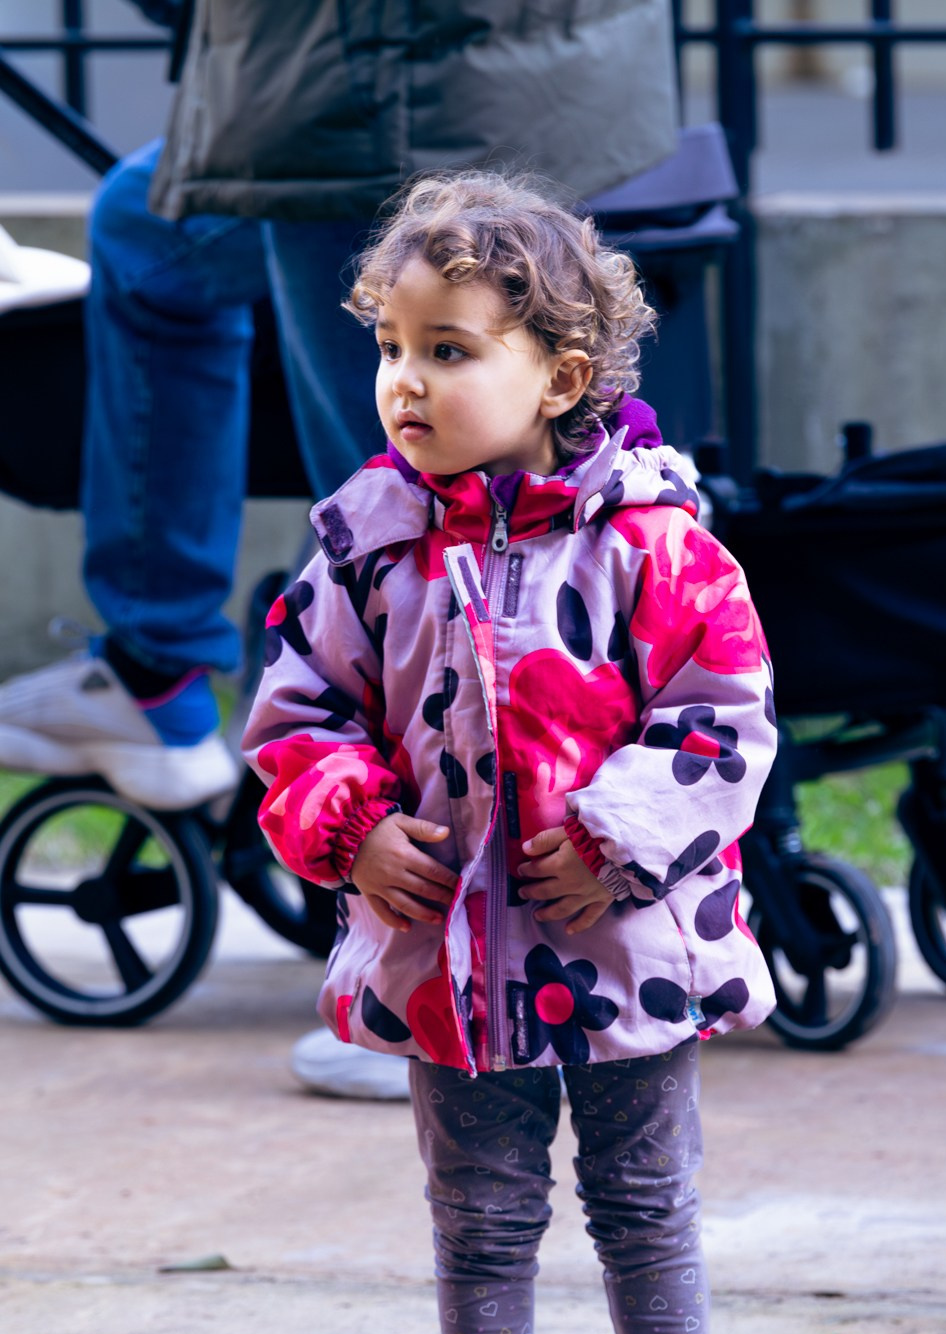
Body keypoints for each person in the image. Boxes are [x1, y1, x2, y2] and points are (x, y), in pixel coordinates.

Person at [243, 171, 787, 1334]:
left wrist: (617, 838)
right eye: (389, 347)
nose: (403, 382)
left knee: (645, 1197)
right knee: (479, 1209)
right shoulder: (367, 548)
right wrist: (355, 829)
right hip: (451, 960)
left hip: (626, 943)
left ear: (560, 376)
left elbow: (721, 714)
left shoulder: (653, 543)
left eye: (448, 349)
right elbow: (298, 714)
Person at [0, 0, 678, 1097]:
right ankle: (165, 670)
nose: (399, 374)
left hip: (370, 82)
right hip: (559, 75)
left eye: (424, 353)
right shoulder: (656, 537)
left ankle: (431, 989)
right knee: (149, 221)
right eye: (391, 351)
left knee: (407, 534)